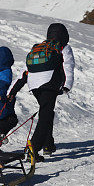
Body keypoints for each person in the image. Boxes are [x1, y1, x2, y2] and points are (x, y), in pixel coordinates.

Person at [9, 23, 75, 161]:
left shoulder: (40, 47)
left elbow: (25, 70)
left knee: (47, 112)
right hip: (50, 82)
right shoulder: (63, 47)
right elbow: (68, 65)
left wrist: (13, 90)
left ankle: (48, 145)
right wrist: (67, 85)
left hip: (34, 84)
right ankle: (33, 147)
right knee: (45, 114)